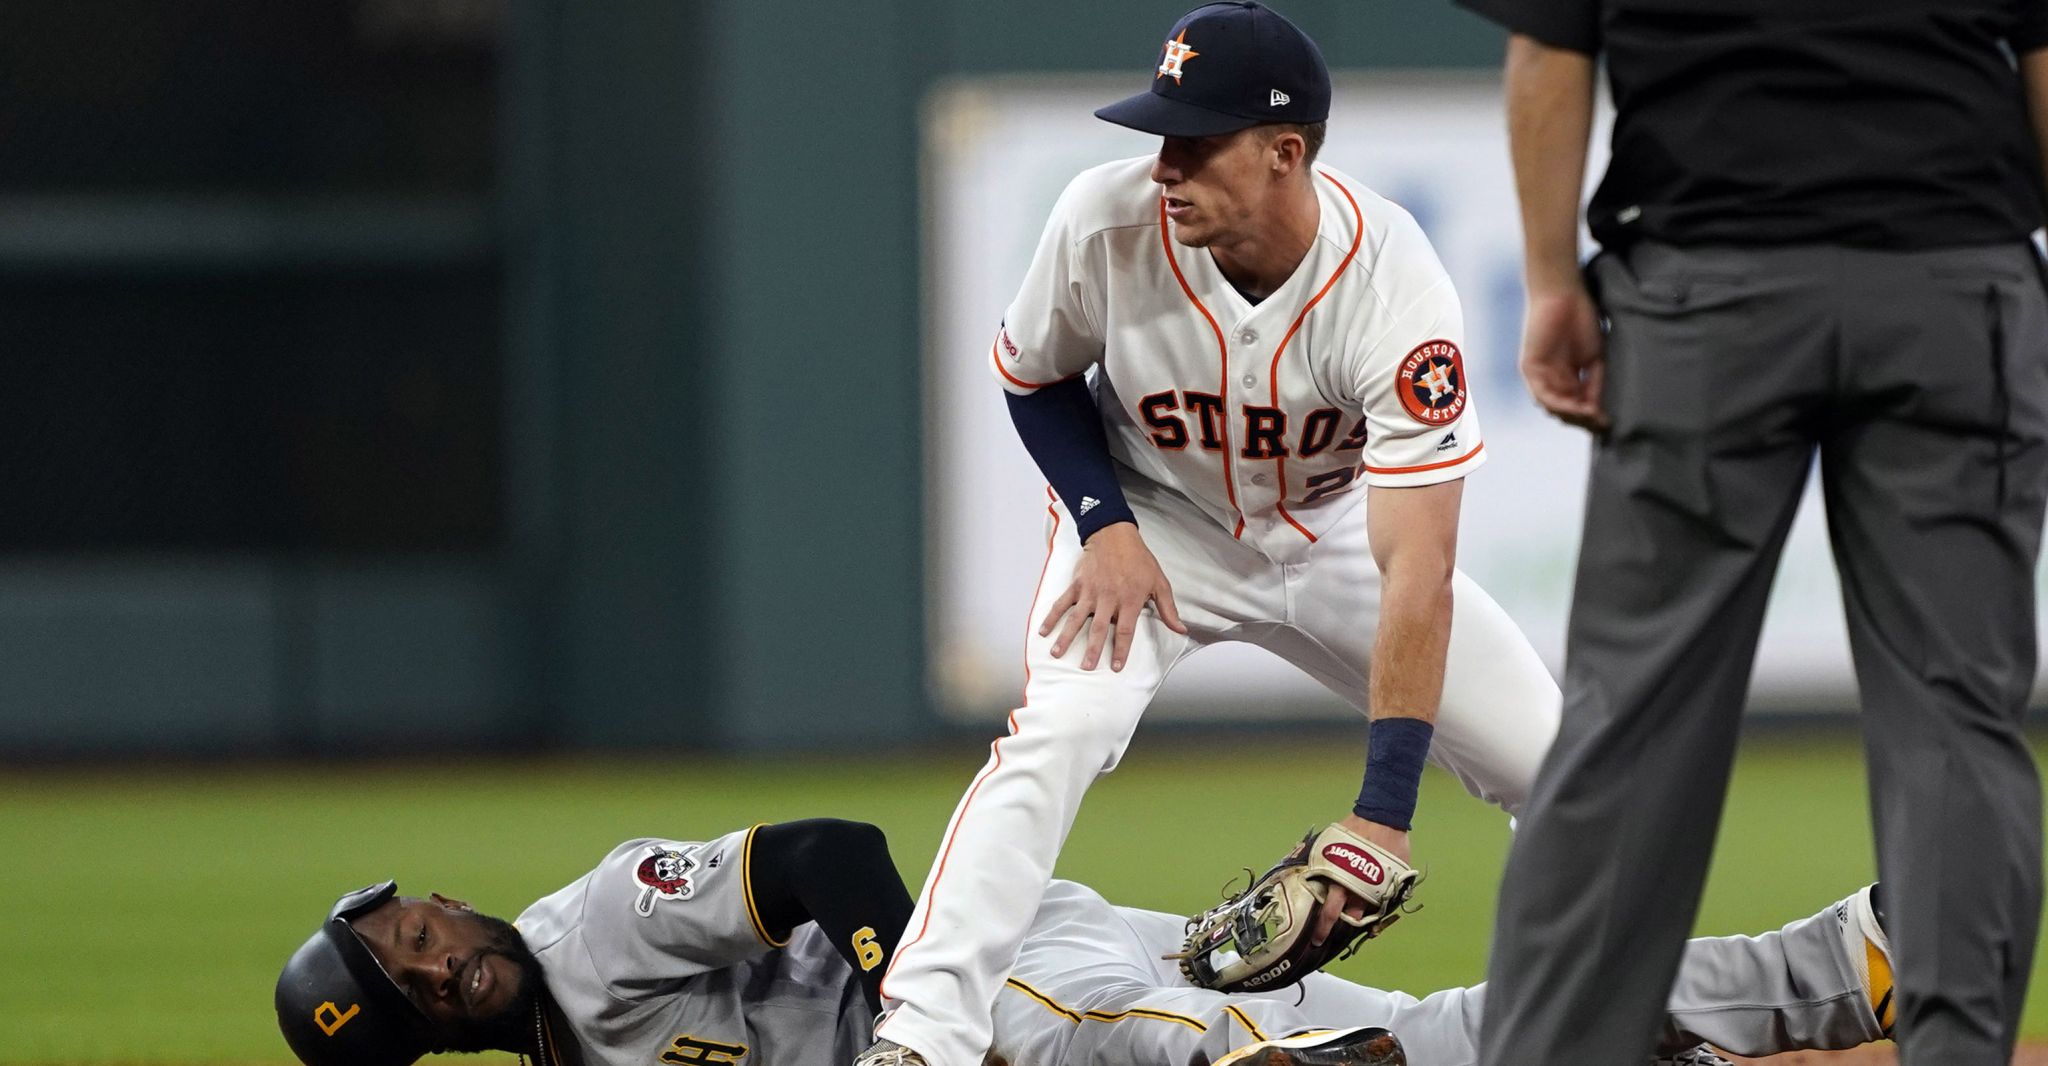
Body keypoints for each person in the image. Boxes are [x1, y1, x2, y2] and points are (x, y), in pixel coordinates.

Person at [867, 5, 1564, 1065]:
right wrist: (1103, 524)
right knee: (1058, 732)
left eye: (1194, 142)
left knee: (1558, 766)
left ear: (1284, 152)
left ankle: (1576, 1022)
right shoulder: (1102, 221)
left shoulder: (1392, 285)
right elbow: (1032, 377)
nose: (1162, 166)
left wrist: (1381, 811)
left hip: (1334, 538)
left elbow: (1416, 564)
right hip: (1153, 522)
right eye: (1160, 136)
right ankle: (922, 1037)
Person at [1447, 0, 2048, 1063]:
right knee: (1955, 718)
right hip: (1950, 280)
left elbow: (1548, 48)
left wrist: (1548, 281)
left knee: (1630, 725)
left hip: (1707, 290)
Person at [273, 817, 1900, 1066]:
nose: (431, 960)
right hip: (1027, 998)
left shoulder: (584, 933)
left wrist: (919, 1001)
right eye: (405, 985)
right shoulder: (566, 1040)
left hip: (1008, 993)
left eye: (411, 929)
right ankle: (1840, 965)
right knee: (1449, 1038)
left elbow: (833, 857)